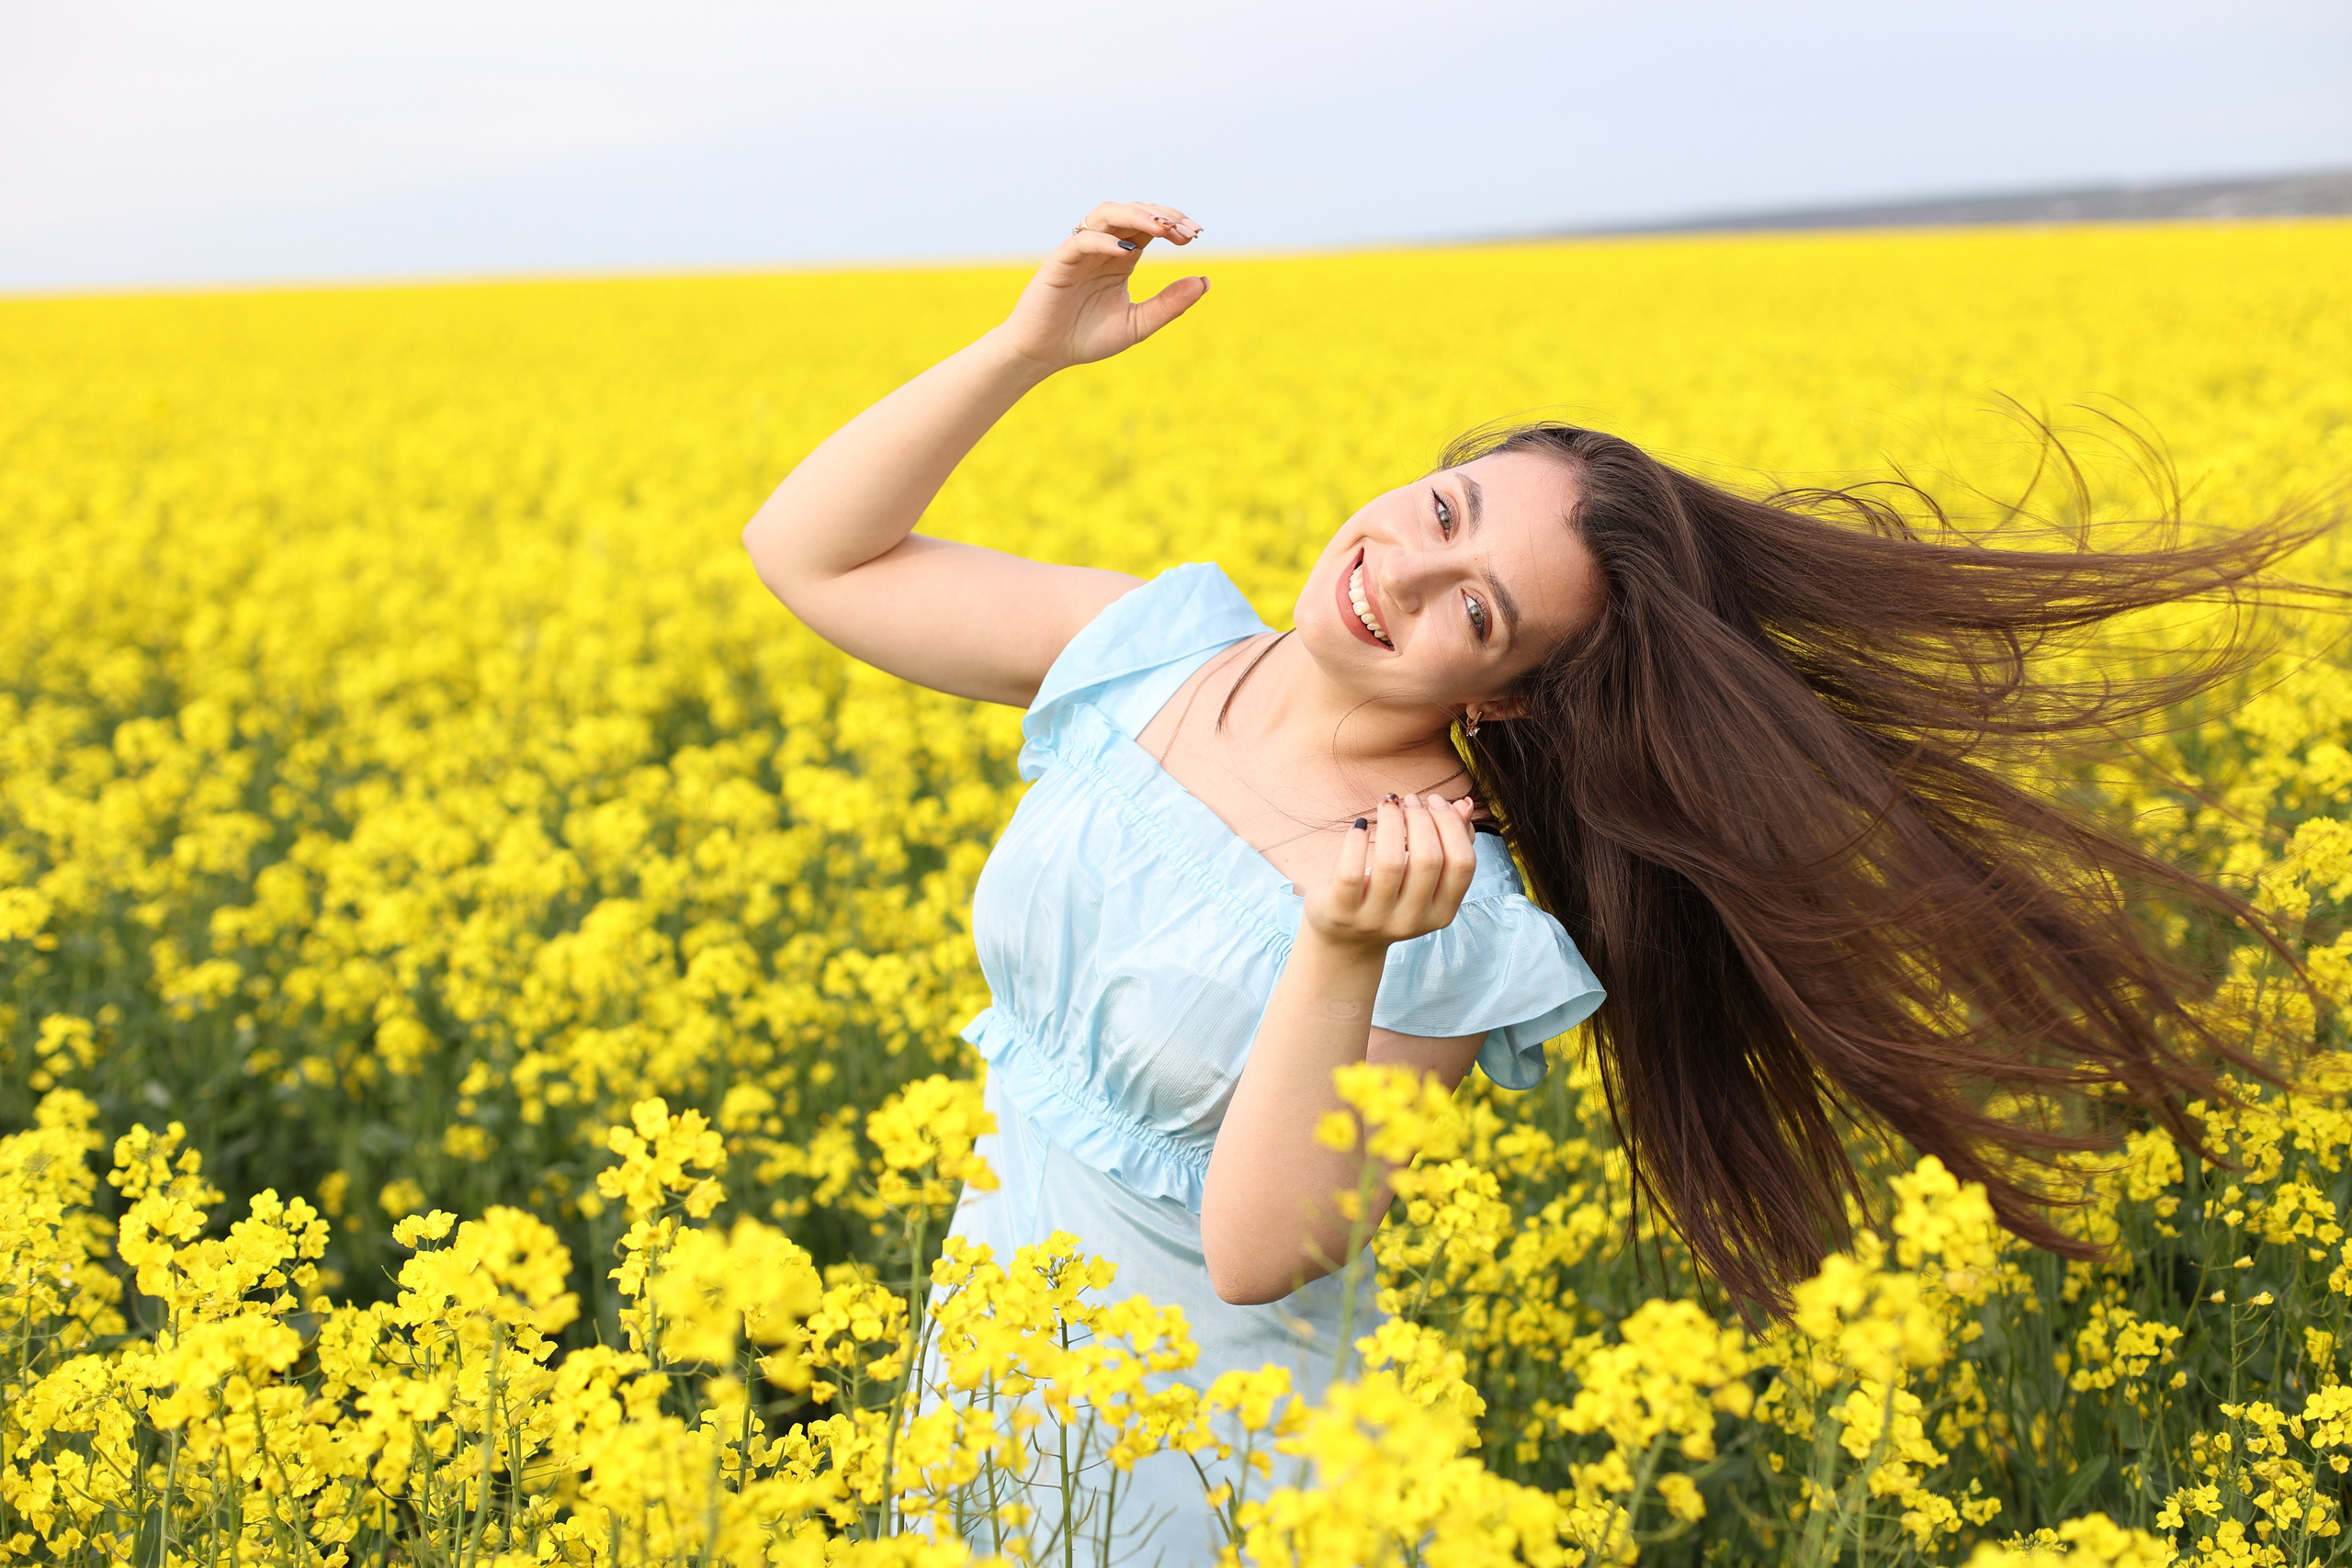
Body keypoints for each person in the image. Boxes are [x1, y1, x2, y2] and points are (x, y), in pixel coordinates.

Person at [742, 199, 2311, 1560]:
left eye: (1474, 614)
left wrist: (1341, 955)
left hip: (1193, 1460)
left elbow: (1260, 1249)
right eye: (1441, 514)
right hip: (990, 1375)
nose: (1399, 574)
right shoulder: (1153, 650)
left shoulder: (1443, 909)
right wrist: (1026, 348)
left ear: (1503, 698)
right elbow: (809, 554)